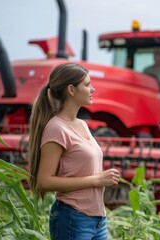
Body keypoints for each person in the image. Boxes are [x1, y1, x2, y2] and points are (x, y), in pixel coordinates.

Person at [28, 63, 120, 239]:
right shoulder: (56, 128)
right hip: (74, 218)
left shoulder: (83, 125)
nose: (92, 89)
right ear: (71, 89)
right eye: (87, 85)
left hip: (98, 220)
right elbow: (45, 181)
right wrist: (97, 180)